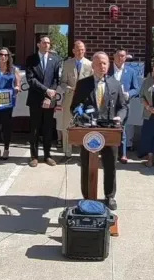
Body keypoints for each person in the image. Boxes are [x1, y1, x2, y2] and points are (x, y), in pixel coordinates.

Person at [70, 51, 127, 210]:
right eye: (99, 63)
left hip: (110, 132)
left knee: (110, 166)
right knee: (87, 164)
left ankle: (109, 196)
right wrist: (80, 117)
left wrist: (120, 118)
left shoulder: (115, 84)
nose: (102, 66)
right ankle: (87, 197)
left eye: (105, 63)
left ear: (108, 66)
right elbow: (73, 107)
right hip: (89, 132)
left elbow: (123, 107)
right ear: (92, 66)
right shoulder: (83, 84)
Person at [25, 36, 62, 167]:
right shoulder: (31, 59)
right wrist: (46, 90)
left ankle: (47, 156)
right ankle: (34, 157)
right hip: (35, 99)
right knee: (34, 128)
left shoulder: (56, 59)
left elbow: (56, 80)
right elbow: (31, 80)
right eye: (44, 43)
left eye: (48, 43)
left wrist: (48, 96)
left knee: (47, 128)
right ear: (38, 44)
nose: (47, 45)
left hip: (50, 100)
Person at [56, 40, 92, 160]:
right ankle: (67, 152)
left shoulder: (90, 64)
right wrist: (69, 88)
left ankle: (84, 153)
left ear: (85, 50)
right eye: (77, 49)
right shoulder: (67, 63)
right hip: (69, 98)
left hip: (84, 101)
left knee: (84, 126)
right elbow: (62, 82)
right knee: (67, 125)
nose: (79, 52)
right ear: (73, 51)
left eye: (82, 49)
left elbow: (92, 83)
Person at [109, 48, 141, 162]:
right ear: (114, 56)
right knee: (108, 128)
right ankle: (108, 153)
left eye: (123, 56)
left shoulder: (131, 71)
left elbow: (136, 89)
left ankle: (122, 154)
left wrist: (129, 94)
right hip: (108, 104)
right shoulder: (107, 70)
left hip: (123, 105)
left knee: (121, 128)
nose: (120, 58)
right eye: (118, 55)